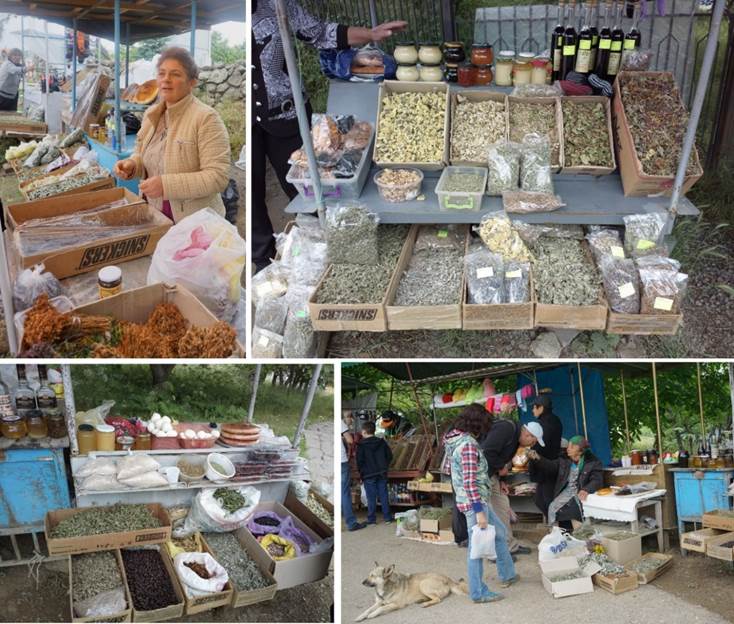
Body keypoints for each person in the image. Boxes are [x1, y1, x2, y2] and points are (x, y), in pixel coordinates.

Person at [251, 0, 407, 271]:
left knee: (308, 187)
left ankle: (326, 249)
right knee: (252, 194)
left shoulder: (277, 5)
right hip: (250, 120)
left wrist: (370, 34)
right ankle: (263, 265)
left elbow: (322, 32)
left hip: (286, 114)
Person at [113, 46, 230, 223]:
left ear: (192, 82)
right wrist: (132, 164)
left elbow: (217, 177)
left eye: (175, 74)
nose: (166, 80)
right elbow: (140, 150)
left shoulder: (206, 118)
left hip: (194, 223)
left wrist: (166, 185)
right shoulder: (151, 114)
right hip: (154, 214)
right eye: (161, 73)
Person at [444, 404, 518, 603]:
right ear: (477, 423)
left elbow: (454, 473)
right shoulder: (467, 445)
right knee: (476, 550)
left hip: (473, 501)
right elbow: (469, 481)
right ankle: (478, 592)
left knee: (500, 533)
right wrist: (479, 512)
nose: (486, 429)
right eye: (485, 424)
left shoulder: (453, 439)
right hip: (475, 504)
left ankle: (508, 574)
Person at [480, 419, 544, 556]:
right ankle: (492, 552)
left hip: (493, 476)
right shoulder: (506, 429)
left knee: (503, 507)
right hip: (480, 475)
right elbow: (487, 451)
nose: (531, 445)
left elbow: (504, 459)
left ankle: (510, 546)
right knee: (486, 513)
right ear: (528, 435)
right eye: (532, 442)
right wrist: (501, 467)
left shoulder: (516, 440)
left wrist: (503, 480)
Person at [527, 436, 603, 532]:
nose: (568, 449)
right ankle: (556, 536)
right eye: (568, 446)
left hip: (581, 492)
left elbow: (597, 480)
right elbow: (550, 466)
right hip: (567, 492)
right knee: (552, 507)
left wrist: (586, 489)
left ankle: (581, 537)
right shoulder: (565, 460)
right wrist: (537, 458)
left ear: (579, 450)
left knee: (572, 508)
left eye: (571, 447)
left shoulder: (592, 462)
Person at [527, 396, 563, 518]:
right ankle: (555, 525)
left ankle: (559, 527)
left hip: (548, 466)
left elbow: (543, 445)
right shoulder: (551, 420)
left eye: (534, 407)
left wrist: (530, 451)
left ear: (541, 408)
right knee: (540, 500)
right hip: (546, 467)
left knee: (548, 501)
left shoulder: (548, 422)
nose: (532, 410)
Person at [356, 420, 393, 525]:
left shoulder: (361, 445)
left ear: (364, 432)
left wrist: (361, 473)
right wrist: (384, 466)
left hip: (368, 474)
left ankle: (372, 519)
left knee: (371, 497)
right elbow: (389, 456)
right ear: (374, 430)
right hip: (381, 472)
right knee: (383, 495)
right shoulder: (382, 442)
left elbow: (359, 461)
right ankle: (387, 518)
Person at [341, 411, 366, 532]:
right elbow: (350, 440)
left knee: (340, 490)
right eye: (349, 417)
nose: (351, 419)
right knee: (344, 492)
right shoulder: (340, 424)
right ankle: (351, 523)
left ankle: (341, 515)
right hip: (341, 461)